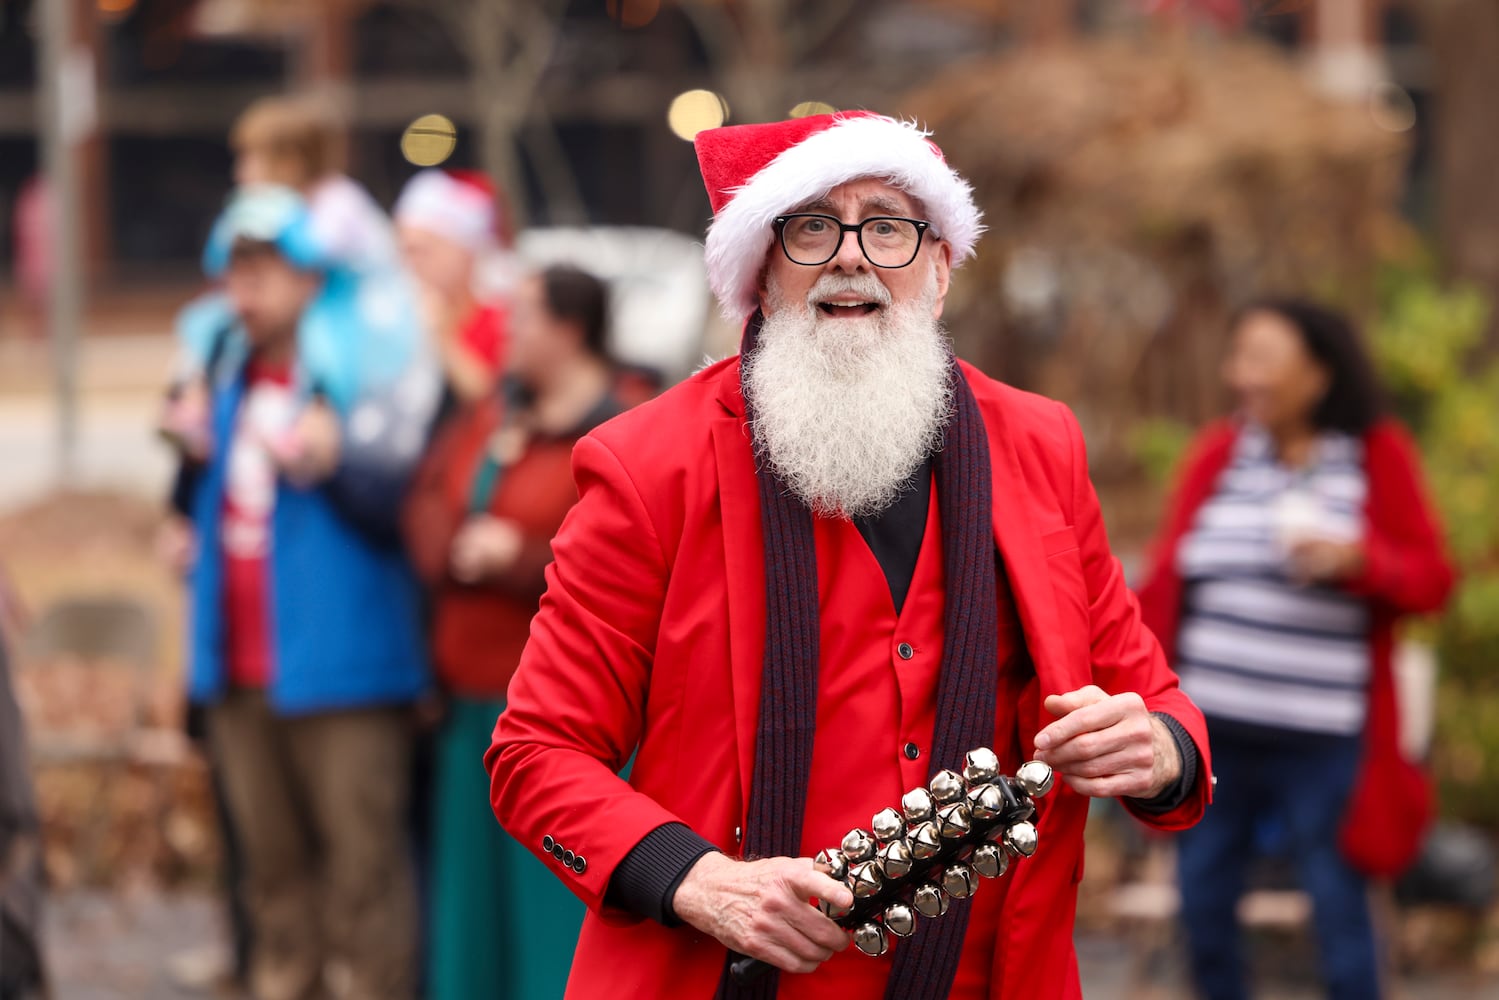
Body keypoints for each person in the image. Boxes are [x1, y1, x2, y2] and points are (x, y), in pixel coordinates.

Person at [485, 111, 1211, 999]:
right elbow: (535, 755)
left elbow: (1156, 701)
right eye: (811, 226)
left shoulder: (1039, 444)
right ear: (762, 270)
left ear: (939, 271)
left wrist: (1160, 750)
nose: (851, 254)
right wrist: (699, 880)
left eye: (889, 225)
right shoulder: (647, 466)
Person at [1135, 299, 1454, 1000]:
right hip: (1211, 732)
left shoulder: (1374, 455)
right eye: (1237, 357)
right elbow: (1165, 581)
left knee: (1339, 909)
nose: (1238, 375)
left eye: (1260, 359)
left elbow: (1431, 580)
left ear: (1317, 373)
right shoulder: (1219, 452)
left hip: (1324, 741)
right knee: (1204, 905)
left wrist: (1360, 561)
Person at [178, 185, 430, 1000]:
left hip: (347, 666)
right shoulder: (222, 372)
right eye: (234, 272)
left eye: (264, 271)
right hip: (239, 663)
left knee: (364, 877)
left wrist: (341, 462)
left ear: (312, 278)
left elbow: (412, 512)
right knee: (272, 878)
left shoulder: (365, 369)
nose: (243, 292)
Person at [403, 264, 622, 1000]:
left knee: (548, 905)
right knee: (470, 906)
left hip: (565, 720)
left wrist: (519, 560)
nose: (504, 334)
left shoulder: (619, 427)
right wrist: (454, 546)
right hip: (470, 703)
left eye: (521, 318)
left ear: (568, 330)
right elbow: (428, 496)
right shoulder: (492, 415)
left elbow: (625, 559)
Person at [395, 168, 512, 415]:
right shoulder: (395, 315)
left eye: (423, 250)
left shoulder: (502, 321)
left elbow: (490, 401)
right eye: (405, 251)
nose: (411, 262)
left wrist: (441, 340)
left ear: (465, 253)